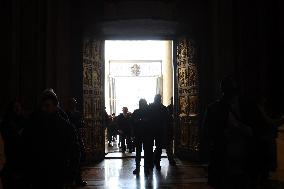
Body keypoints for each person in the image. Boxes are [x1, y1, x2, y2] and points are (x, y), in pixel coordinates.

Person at [24, 90, 80, 189]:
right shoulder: (34, 125)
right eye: (43, 106)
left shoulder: (66, 127)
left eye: (47, 105)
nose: (44, 109)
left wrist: (71, 176)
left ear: (56, 106)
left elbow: (74, 152)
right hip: (38, 173)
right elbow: (27, 148)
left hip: (58, 172)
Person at [203, 76, 252, 189]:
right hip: (231, 151)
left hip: (219, 151)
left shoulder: (212, 108)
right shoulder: (237, 109)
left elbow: (206, 131)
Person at [0, 99, 27, 189]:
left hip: (22, 155)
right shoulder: (6, 122)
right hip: (10, 154)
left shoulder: (24, 120)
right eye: (15, 107)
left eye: (19, 106)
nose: (17, 109)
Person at [65, 98, 87, 187]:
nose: (74, 105)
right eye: (72, 103)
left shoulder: (77, 113)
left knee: (79, 158)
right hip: (69, 138)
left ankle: (78, 179)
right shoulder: (66, 114)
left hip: (78, 137)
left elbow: (81, 124)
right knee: (71, 160)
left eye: (75, 103)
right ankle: (71, 180)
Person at [131, 99, 152, 175]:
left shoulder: (136, 112)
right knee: (145, 152)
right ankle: (145, 168)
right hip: (145, 134)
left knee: (139, 152)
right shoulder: (148, 112)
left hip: (139, 135)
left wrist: (138, 121)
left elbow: (132, 123)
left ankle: (138, 168)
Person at [149, 94, 169, 171]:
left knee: (149, 147)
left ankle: (150, 162)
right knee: (159, 147)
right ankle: (157, 162)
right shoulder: (163, 108)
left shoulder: (150, 107)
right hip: (160, 130)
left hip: (151, 129)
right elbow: (166, 120)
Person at [166, 97, 176, 166]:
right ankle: (171, 158)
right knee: (168, 145)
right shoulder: (169, 107)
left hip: (173, 128)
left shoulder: (170, 107)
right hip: (170, 128)